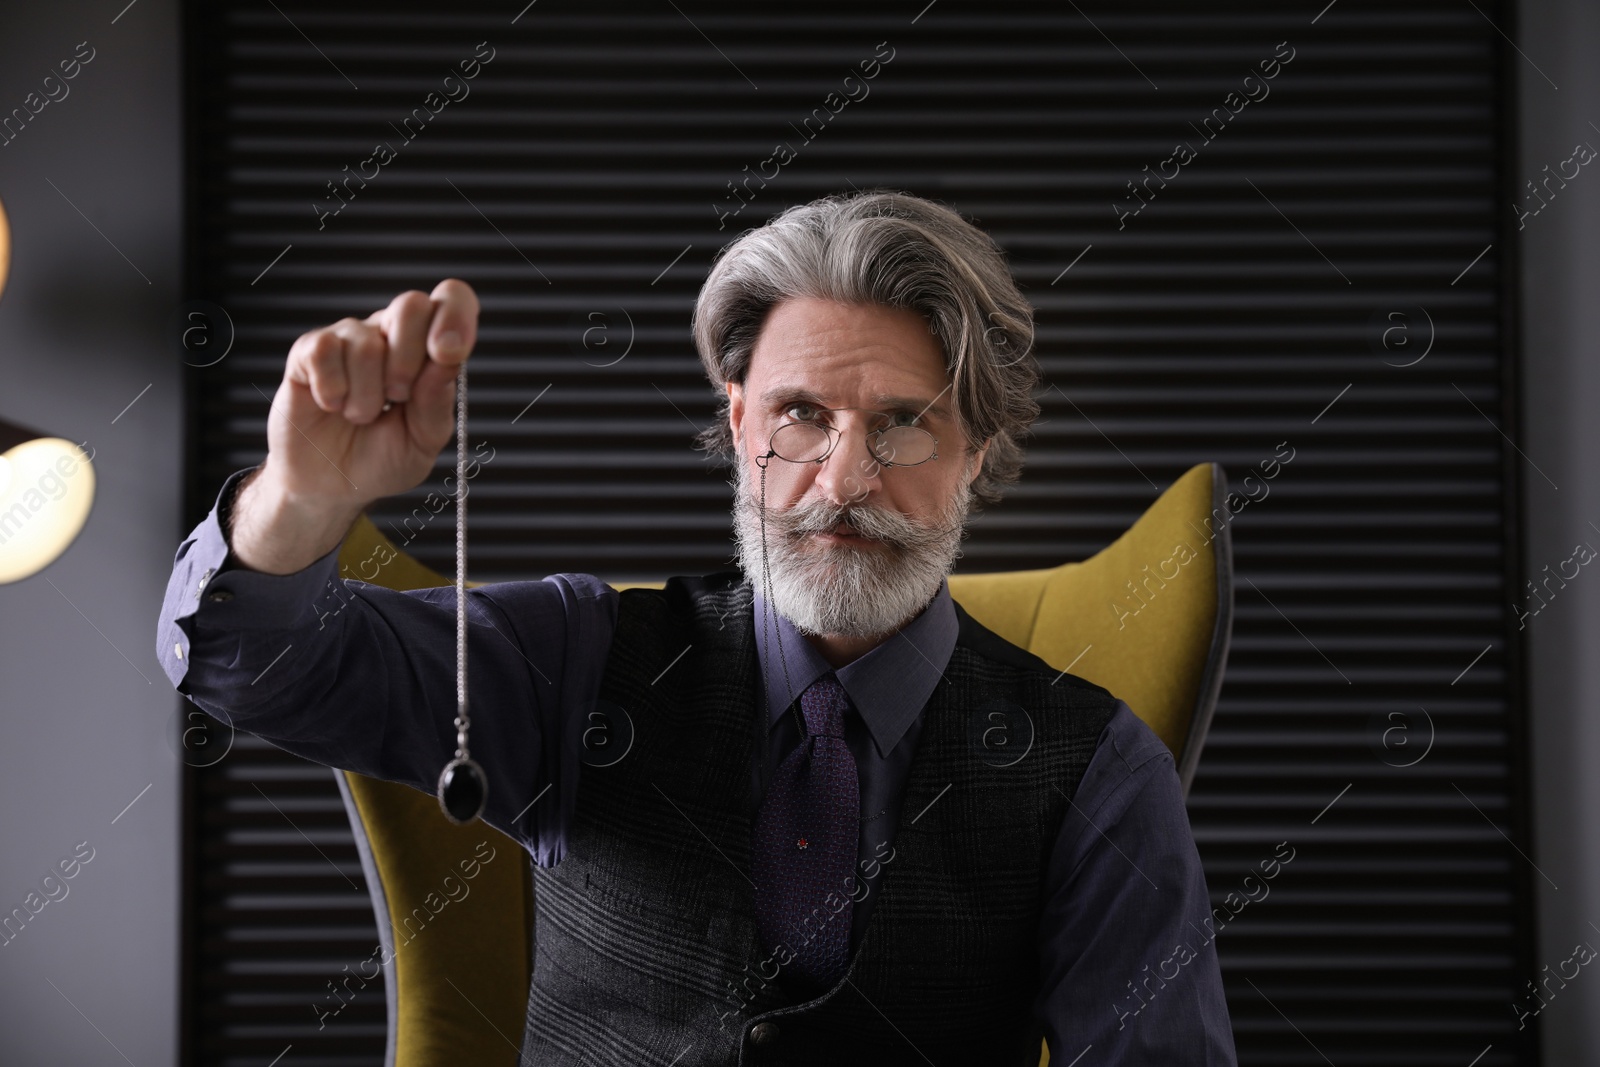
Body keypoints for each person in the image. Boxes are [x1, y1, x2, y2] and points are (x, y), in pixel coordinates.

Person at [156, 190, 1236, 1064]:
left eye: (904, 424)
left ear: (978, 456)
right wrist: (300, 503)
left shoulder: (1094, 773)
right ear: (736, 423)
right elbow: (257, 665)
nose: (842, 478)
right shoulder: (575, 663)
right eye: (800, 416)